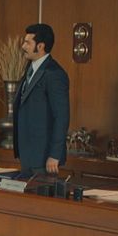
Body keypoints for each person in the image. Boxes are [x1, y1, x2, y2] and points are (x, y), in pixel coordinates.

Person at [12, 23, 70, 176]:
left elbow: (61, 117)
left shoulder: (54, 73)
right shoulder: (30, 68)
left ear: (40, 46)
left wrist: (54, 155)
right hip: (28, 155)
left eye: (27, 43)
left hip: (44, 158)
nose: (23, 46)